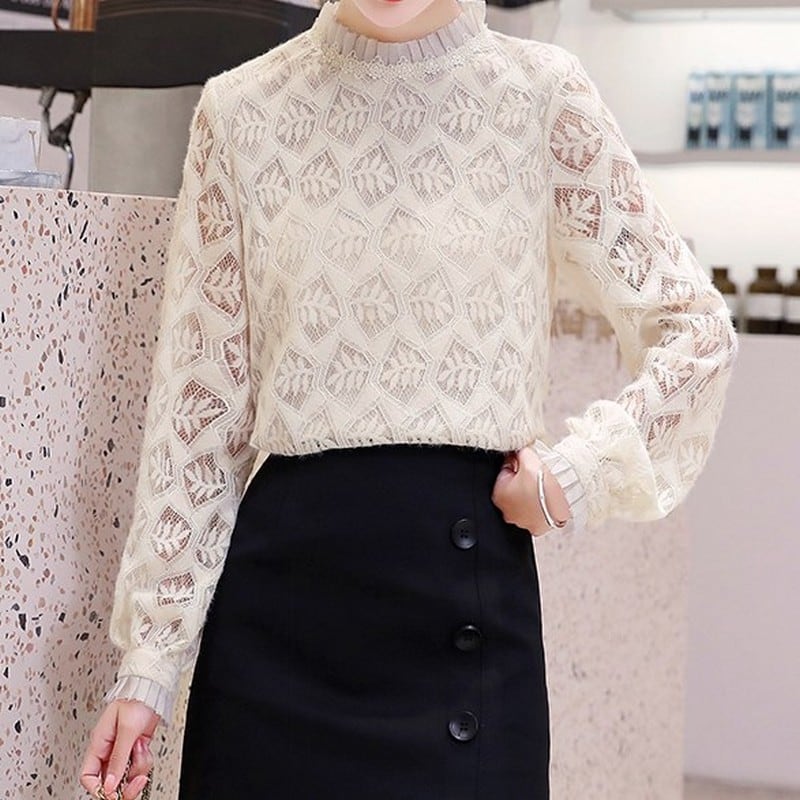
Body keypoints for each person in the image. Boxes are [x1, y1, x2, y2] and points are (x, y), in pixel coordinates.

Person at [78, 0, 739, 796]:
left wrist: (575, 477)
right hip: (275, 641)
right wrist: (148, 667)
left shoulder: (539, 95)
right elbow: (199, 417)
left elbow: (696, 328)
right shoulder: (241, 110)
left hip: (465, 629)